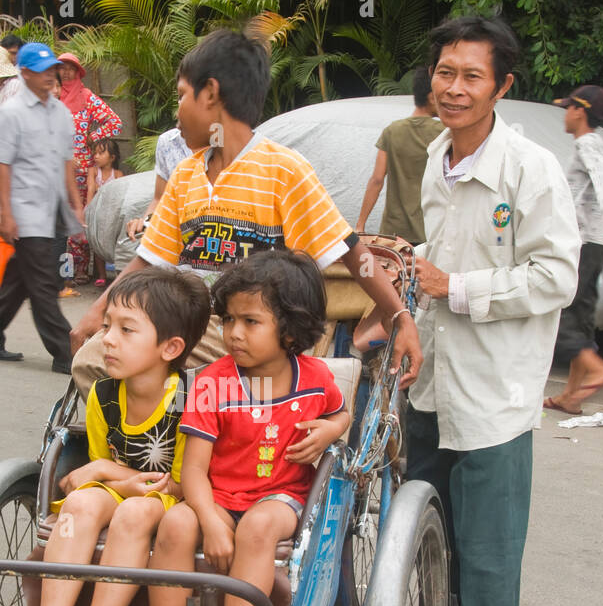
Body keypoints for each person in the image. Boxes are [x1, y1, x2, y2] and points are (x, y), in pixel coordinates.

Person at [404, 15, 580, 606]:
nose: (454, 88)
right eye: (446, 72)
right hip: (431, 385)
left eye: (471, 76)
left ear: (502, 85)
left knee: (485, 555)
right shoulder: (433, 158)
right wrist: (404, 285)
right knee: (424, 543)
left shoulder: (530, 168)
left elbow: (557, 277)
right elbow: (434, 263)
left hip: (495, 396)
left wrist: (458, 287)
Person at [70, 29, 422, 397]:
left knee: (137, 367)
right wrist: (99, 312)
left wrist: (400, 316)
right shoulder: (186, 174)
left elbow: (351, 253)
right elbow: (148, 260)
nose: (176, 114)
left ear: (210, 94)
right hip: (188, 317)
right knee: (95, 361)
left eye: (181, 96)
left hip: (246, 326)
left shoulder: (282, 170)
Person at [148, 251, 350, 606]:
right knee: (175, 525)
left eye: (251, 322)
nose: (234, 334)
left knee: (257, 528)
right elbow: (195, 472)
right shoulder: (213, 383)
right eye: (229, 320)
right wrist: (209, 521)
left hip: (281, 496)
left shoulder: (316, 378)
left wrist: (330, 429)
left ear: (292, 328)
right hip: (215, 494)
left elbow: (342, 414)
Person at [37, 268, 210, 606]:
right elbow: (99, 476)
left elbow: (183, 483)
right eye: (107, 325)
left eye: (126, 330)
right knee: (81, 502)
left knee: (135, 511)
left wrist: (105, 471)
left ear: (170, 348)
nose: (107, 340)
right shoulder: (103, 395)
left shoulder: (189, 399)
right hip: (124, 491)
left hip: (172, 502)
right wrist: (112, 476)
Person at [0, 42, 84, 373]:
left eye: (53, 69)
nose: (52, 74)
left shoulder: (61, 113)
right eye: (44, 70)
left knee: (19, 279)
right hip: (26, 212)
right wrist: (6, 215)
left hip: (55, 210)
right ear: (26, 73)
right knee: (44, 285)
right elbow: (2, 165)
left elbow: (67, 161)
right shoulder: (12, 112)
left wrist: (76, 203)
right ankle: (66, 351)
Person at [545, 85, 603, 415]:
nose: (564, 114)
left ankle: (599, 370)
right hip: (592, 244)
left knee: (563, 312)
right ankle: (570, 396)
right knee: (580, 317)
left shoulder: (587, 144)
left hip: (582, 243)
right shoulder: (595, 144)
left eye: (568, 108)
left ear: (580, 111)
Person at [356, 64, 445, 243]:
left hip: (393, 233)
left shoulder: (392, 131)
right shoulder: (445, 133)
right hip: (430, 231)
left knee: (395, 272)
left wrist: (360, 225)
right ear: (431, 98)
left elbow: (377, 180)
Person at [57, 51, 122, 289]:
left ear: (78, 72)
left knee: (79, 221)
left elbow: (115, 121)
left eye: (70, 68)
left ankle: (80, 271)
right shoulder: (51, 96)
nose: (66, 72)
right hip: (55, 170)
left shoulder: (87, 97)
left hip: (82, 171)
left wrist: (89, 140)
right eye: (62, 67)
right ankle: (58, 272)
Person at [124, 125, 200, 242]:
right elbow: (159, 198)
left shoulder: (230, 144)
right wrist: (144, 223)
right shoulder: (167, 141)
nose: (177, 113)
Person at [82, 137, 123, 291]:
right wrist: (90, 210)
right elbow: (91, 189)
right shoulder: (93, 171)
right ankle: (101, 275)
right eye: (95, 153)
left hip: (111, 214)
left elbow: (119, 196)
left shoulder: (118, 174)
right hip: (95, 211)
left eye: (100, 153)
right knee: (97, 245)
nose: (96, 156)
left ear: (112, 157)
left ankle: (118, 274)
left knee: (113, 242)